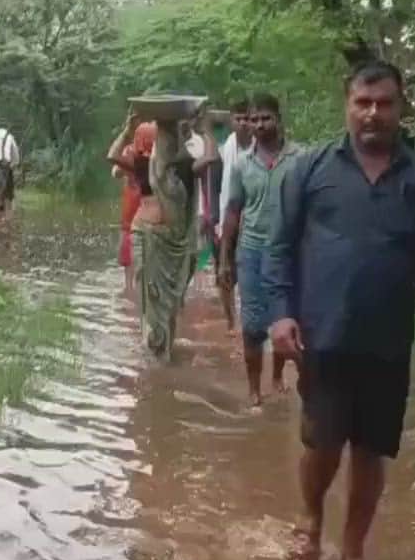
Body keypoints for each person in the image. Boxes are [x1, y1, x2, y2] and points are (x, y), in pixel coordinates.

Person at [264, 60, 415, 560]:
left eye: (384, 103)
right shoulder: (310, 169)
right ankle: (312, 522)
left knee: (371, 450)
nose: (373, 113)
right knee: (323, 441)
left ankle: (353, 548)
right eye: (363, 102)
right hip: (323, 336)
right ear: (348, 104)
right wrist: (279, 314)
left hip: (387, 342)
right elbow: (278, 248)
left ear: (401, 108)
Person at [107, 109, 217, 361]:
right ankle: (155, 354)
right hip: (147, 236)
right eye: (160, 138)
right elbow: (112, 156)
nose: (163, 142)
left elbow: (210, 158)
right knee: (152, 297)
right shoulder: (142, 164)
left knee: (172, 301)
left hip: (175, 241)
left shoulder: (183, 166)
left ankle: (165, 348)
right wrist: (126, 130)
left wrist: (205, 131)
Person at [218, 93, 300, 407]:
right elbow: (233, 212)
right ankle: (254, 391)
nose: (259, 124)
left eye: (266, 118)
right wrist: (225, 260)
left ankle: (278, 376)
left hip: (289, 253)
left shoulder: (299, 160)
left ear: (278, 120)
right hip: (251, 252)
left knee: (284, 320)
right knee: (252, 327)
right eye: (254, 119)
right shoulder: (241, 163)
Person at [216, 100, 252, 334]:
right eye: (237, 118)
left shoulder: (258, 148)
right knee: (223, 274)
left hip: (251, 222)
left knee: (249, 275)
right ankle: (231, 322)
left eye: (246, 118)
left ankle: (250, 322)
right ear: (231, 120)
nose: (242, 123)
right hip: (226, 217)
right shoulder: (227, 144)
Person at [112, 124, 155, 292]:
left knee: (133, 263)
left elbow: (115, 171)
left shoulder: (136, 154)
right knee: (136, 262)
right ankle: (133, 294)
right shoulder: (152, 155)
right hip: (140, 213)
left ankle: (130, 295)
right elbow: (116, 172)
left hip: (136, 214)